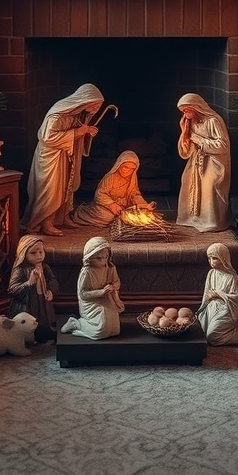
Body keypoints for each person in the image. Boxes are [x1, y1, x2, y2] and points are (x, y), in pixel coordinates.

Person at [22, 83, 104, 236]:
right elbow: (48, 138)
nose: (96, 110)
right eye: (95, 105)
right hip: (51, 156)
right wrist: (79, 131)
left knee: (67, 186)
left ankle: (62, 217)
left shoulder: (79, 113)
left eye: (99, 107)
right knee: (51, 190)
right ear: (85, 101)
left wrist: (86, 133)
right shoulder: (58, 114)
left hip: (67, 155)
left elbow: (77, 132)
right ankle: (45, 222)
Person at [176, 93, 232, 233]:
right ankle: (191, 219)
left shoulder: (213, 121)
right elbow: (186, 148)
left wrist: (198, 140)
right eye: (183, 111)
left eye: (187, 110)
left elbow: (223, 145)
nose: (185, 113)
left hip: (213, 161)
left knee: (210, 184)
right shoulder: (191, 122)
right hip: (197, 160)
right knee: (186, 181)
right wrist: (184, 132)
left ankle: (212, 221)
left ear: (196, 108)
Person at [70, 150, 156, 228]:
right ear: (119, 164)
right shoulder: (110, 177)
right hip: (106, 205)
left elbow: (134, 194)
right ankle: (82, 213)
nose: (127, 171)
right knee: (107, 217)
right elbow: (100, 194)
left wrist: (144, 205)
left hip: (124, 205)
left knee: (142, 214)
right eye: (125, 167)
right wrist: (112, 205)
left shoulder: (132, 179)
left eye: (131, 169)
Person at [60, 236, 124, 340]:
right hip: (90, 303)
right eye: (98, 258)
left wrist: (112, 287)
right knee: (101, 330)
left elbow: (117, 282)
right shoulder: (87, 272)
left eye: (106, 257)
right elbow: (83, 294)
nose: (103, 261)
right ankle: (76, 323)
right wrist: (101, 292)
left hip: (107, 300)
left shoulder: (111, 268)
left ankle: (99, 326)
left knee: (115, 329)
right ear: (89, 257)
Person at [197, 242, 238, 346]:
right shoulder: (211, 273)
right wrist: (203, 307)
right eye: (209, 258)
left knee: (212, 336)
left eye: (215, 258)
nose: (211, 262)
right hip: (211, 308)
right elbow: (207, 293)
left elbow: (236, 299)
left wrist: (218, 294)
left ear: (223, 258)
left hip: (226, 309)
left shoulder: (232, 277)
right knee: (199, 332)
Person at [7, 235, 59, 342]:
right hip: (29, 303)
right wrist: (29, 283)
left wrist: (51, 290)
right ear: (24, 254)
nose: (39, 256)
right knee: (31, 320)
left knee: (44, 318)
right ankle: (29, 338)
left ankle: (45, 334)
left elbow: (53, 280)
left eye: (41, 251)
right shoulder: (20, 270)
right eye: (33, 253)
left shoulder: (44, 267)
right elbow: (12, 289)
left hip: (43, 299)